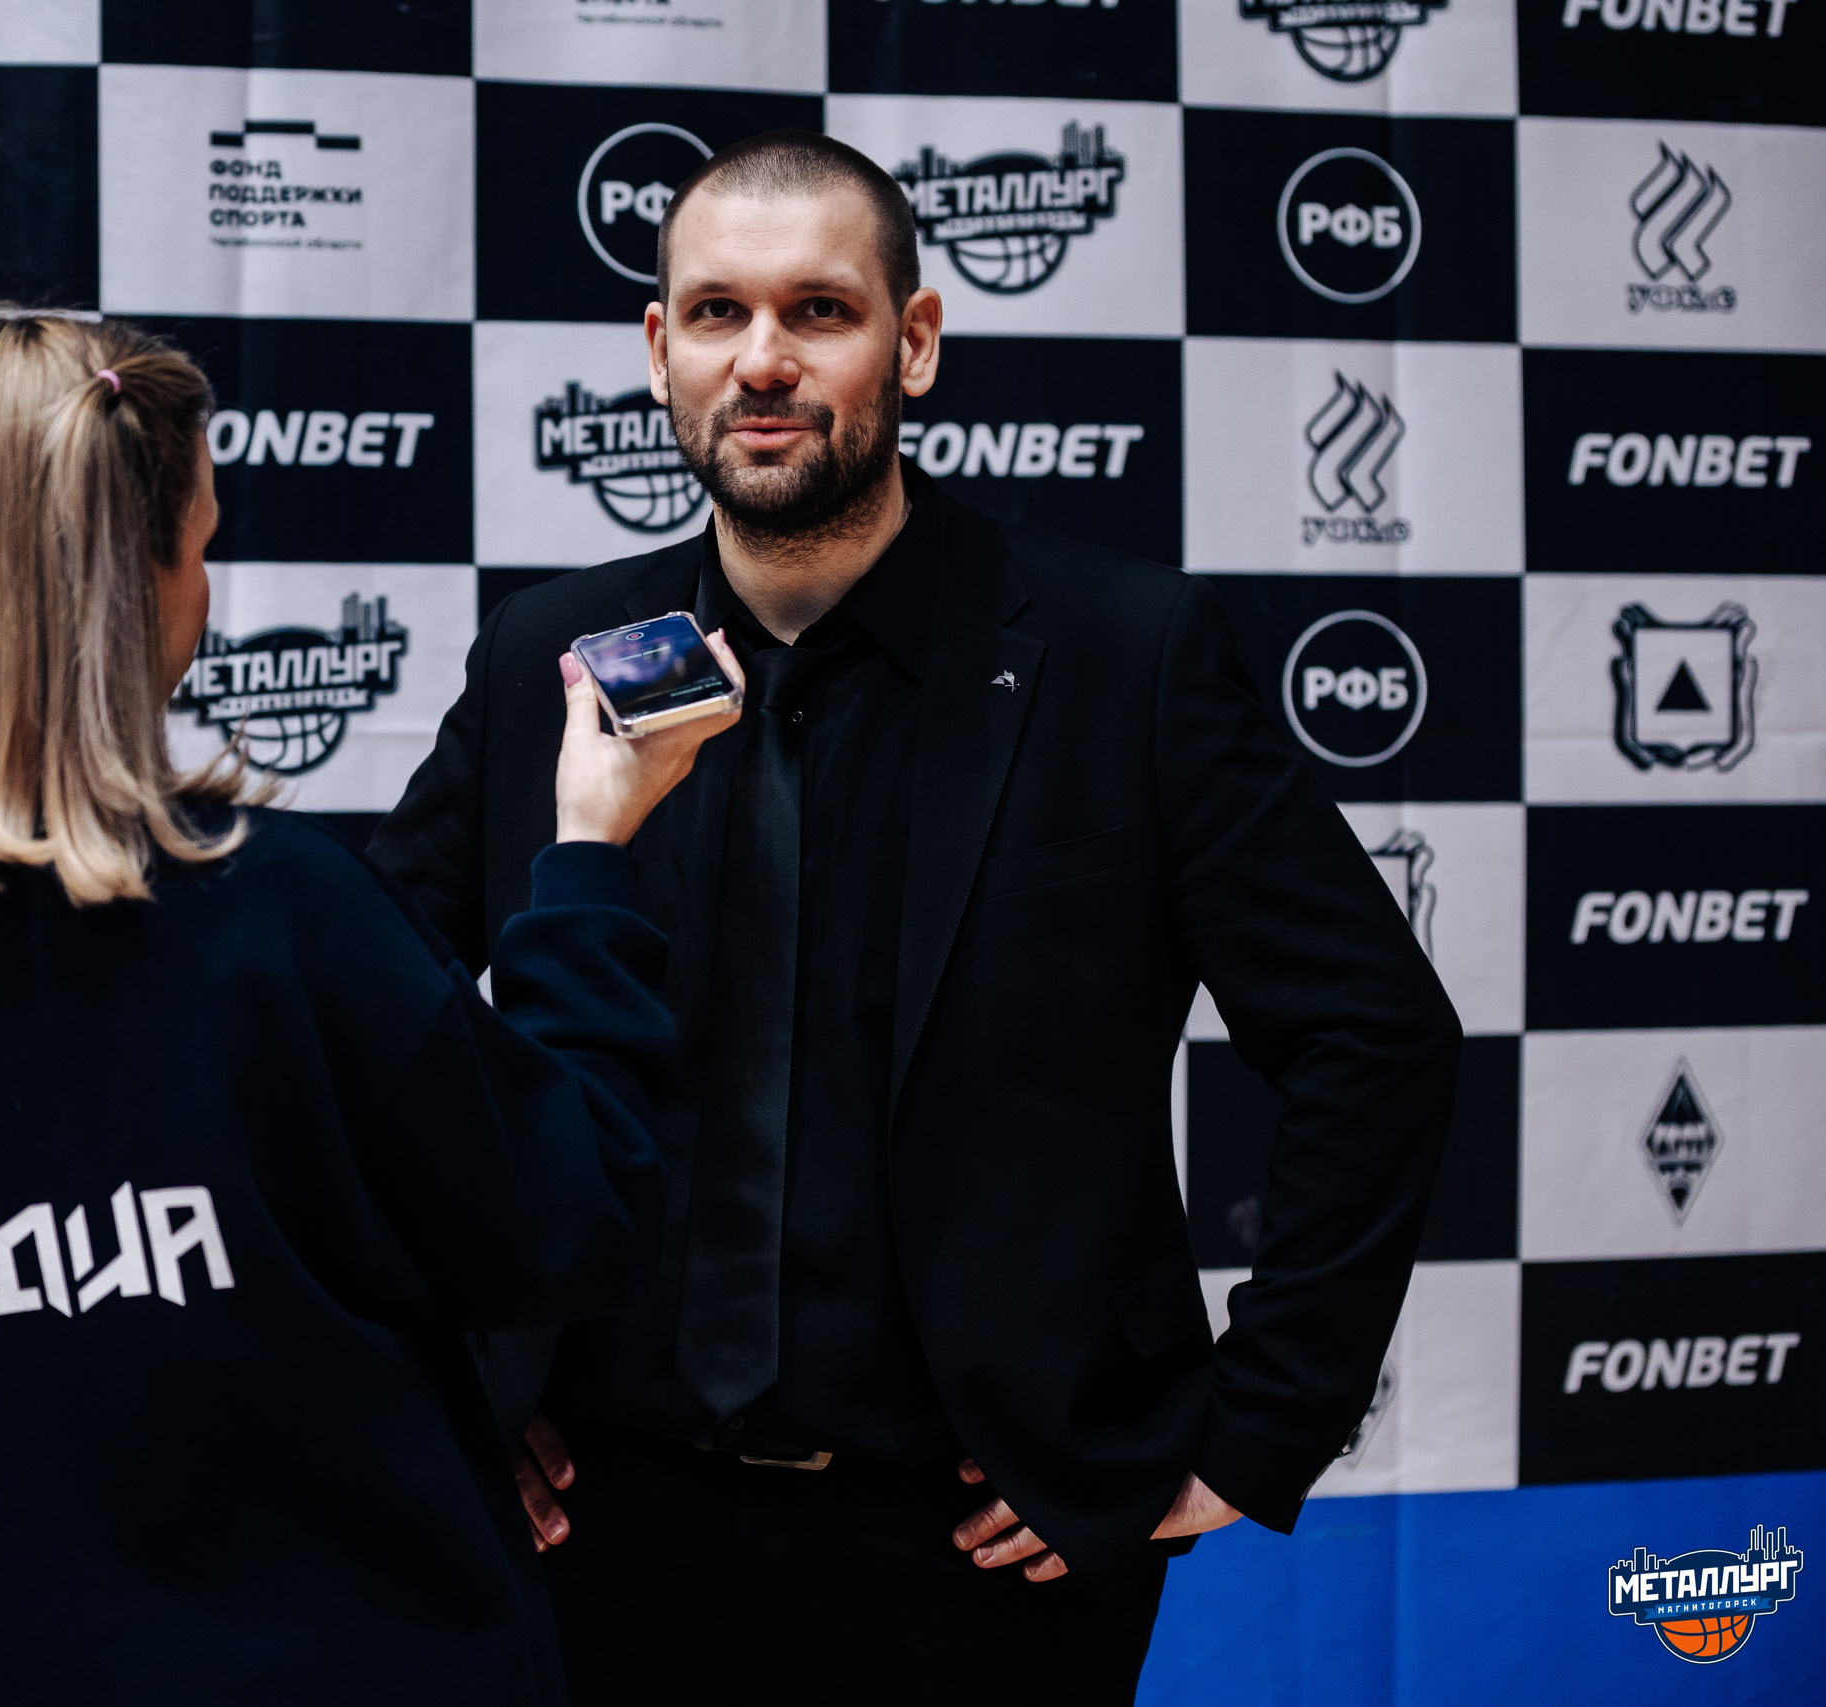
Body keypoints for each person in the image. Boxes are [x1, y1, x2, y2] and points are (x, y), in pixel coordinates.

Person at [370, 131, 1464, 1703]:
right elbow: (356, 1041)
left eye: (820, 312)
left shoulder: (1123, 654)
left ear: (917, 343)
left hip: (983, 1554)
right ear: (659, 349)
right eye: (716, 313)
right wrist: (443, 1381)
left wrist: (1253, 1428)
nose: (763, 360)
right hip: (601, 1535)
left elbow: (1375, 1036)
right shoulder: (551, 650)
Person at [0, 312, 738, 1706]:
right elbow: (572, 1212)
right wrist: (590, 862)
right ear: (128, 584)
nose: (206, 593)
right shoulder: (263, 909)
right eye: (199, 546)